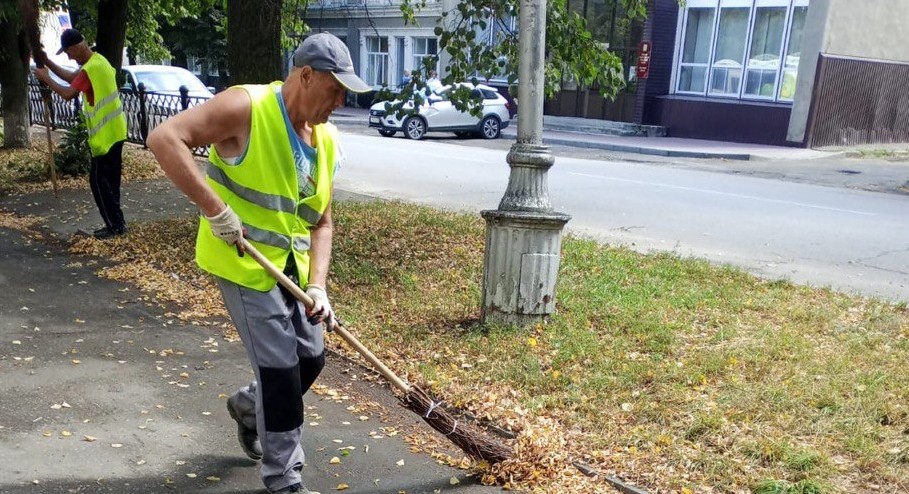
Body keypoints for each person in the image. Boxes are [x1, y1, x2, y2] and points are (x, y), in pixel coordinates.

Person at [146, 33, 370, 494]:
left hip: (292, 269)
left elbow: (322, 224)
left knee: (310, 359)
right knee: (281, 371)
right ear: (306, 76)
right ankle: (284, 477)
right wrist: (216, 210)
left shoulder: (327, 141)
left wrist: (319, 286)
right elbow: (164, 138)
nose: (341, 102)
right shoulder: (246, 107)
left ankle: (249, 407)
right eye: (335, 90)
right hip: (243, 263)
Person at [32, 28, 128, 239]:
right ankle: (118, 224)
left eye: (68, 52)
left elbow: (68, 93)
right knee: (110, 182)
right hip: (116, 131)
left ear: (76, 47)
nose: (69, 57)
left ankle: (115, 227)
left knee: (99, 182)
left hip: (104, 137)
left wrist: (46, 78)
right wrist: (47, 62)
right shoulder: (99, 61)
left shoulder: (90, 69)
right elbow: (71, 77)